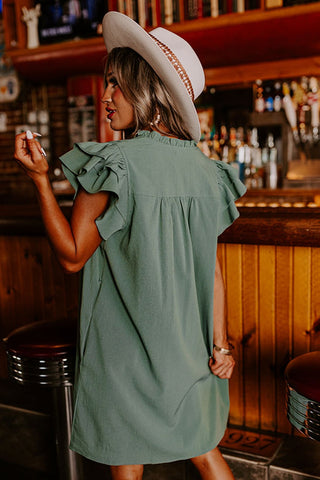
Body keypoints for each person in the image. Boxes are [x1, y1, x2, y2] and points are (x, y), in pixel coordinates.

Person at [14, 11, 246, 480]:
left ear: (150, 92)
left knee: (127, 462)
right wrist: (221, 346)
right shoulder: (209, 173)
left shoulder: (111, 165)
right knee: (204, 451)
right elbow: (213, 270)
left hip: (124, 353)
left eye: (118, 85)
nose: (106, 96)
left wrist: (40, 181)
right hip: (191, 349)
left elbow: (72, 257)